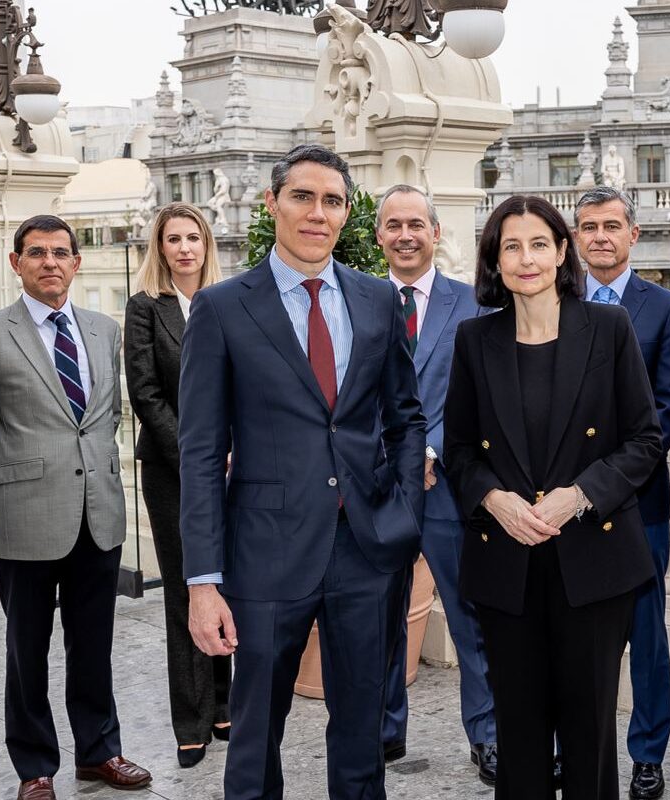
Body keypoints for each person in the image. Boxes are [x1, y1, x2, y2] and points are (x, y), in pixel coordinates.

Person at [177, 143, 426, 800]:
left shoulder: (379, 300)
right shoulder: (222, 307)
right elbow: (200, 452)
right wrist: (203, 581)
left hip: (366, 550)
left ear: (347, 213)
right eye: (303, 197)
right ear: (273, 204)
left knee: (363, 734)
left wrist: (405, 513)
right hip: (263, 554)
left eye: (333, 201)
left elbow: (406, 418)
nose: (318, 213)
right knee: (256, 735)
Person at [444, 194, 664, 800]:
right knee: (518, 734)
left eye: (539, 244)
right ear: (495, 260)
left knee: (590, 731)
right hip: (506, 562)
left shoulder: (609, 329)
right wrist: (495, 499)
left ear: (562, 252)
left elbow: (645, 439)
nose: (527, 259)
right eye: (511, 246)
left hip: (592, 559)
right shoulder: (474, 339)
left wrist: (581, 494)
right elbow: (458, 450)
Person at [0, 215, 151, 800]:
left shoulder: (102, 329)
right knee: (28, 651)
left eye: (61, 253)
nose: (50, 262)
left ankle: (99, 752)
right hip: (25, 518)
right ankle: (34, 767)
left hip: (99, 514)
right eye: (37, 252)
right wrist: (1, 491)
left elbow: (105, 416)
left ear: (76, 262)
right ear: (16, 262)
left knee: (93, 646)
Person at [374, 184, 496, 781]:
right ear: (379, 235)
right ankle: (381, 731)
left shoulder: (472, 305)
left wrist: (427, 448)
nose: (405, 236)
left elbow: (479, 395)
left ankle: (488, 735)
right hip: (379, 489)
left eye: (416, 224)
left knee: (470, 614)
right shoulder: (358, 302)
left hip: (449, 487)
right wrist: (395, 455)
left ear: (436, 232)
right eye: (394, 225)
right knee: (379, 614)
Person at [573, 186, 670, 800]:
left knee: (646, 636)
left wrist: (605, 476)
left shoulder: (666, 310)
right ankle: (575, 747)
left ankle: (648, 754)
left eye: (611, 226)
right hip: (562, 504)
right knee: (572, 634)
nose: (600, 237)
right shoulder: (554, 300)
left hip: (636, 500)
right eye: (589, 226)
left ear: (632, 234)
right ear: (576, 237)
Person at [123, 202, 230, 768]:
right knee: (188, 588)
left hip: (232, 467)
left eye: (193, 237)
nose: (185, 248)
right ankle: (191, 720)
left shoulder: (226, 300)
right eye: (174, 239)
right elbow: (145, 393)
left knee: (225, 583)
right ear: (159, 248)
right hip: (173, 470)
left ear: (206, 244)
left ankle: (224, 704)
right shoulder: (145, 307)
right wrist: (196, 456)